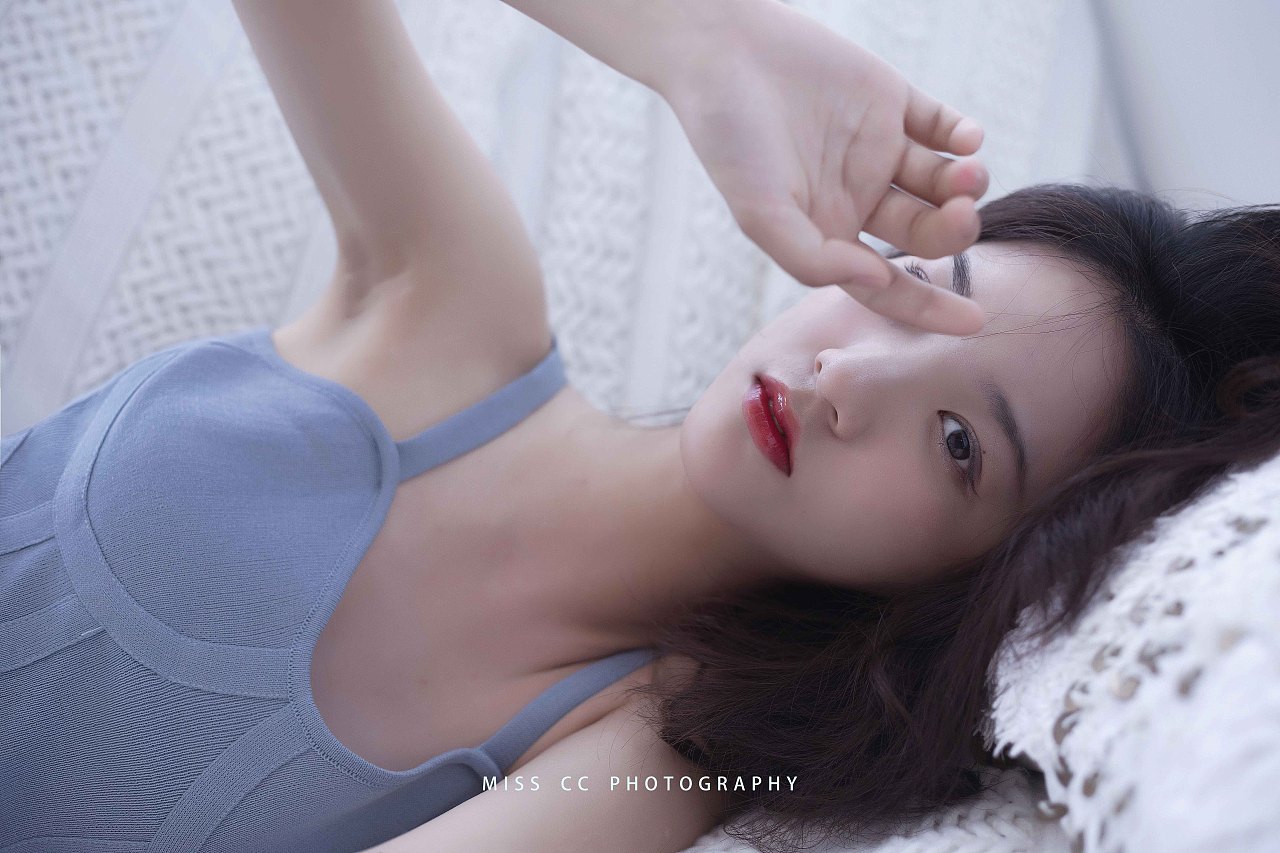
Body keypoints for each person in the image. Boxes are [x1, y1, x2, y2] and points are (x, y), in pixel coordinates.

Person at [1, 3, 1277, 853]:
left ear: (979, 582)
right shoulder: (453, 305)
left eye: (957, 444)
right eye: (909, 292)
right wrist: (699, 45)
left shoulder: (660, 748)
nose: (845, 374)